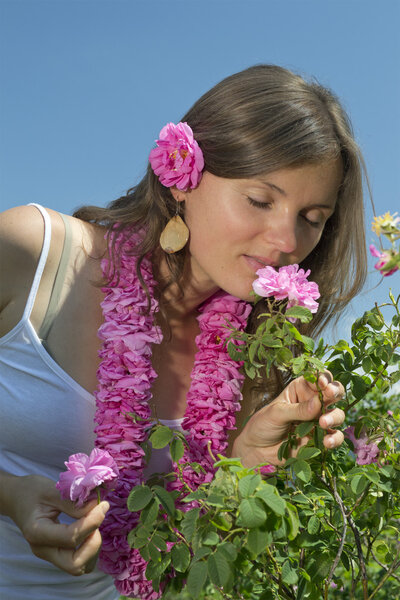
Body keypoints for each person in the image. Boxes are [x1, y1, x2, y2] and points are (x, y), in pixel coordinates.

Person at [0, 64, 367, 599]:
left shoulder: (257, 358)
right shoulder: (31, 254)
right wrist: (8, 495)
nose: (287, 239)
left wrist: (245, 461)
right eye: (260, 200)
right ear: (183, 178)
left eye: (312, 217)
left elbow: (185, 553)